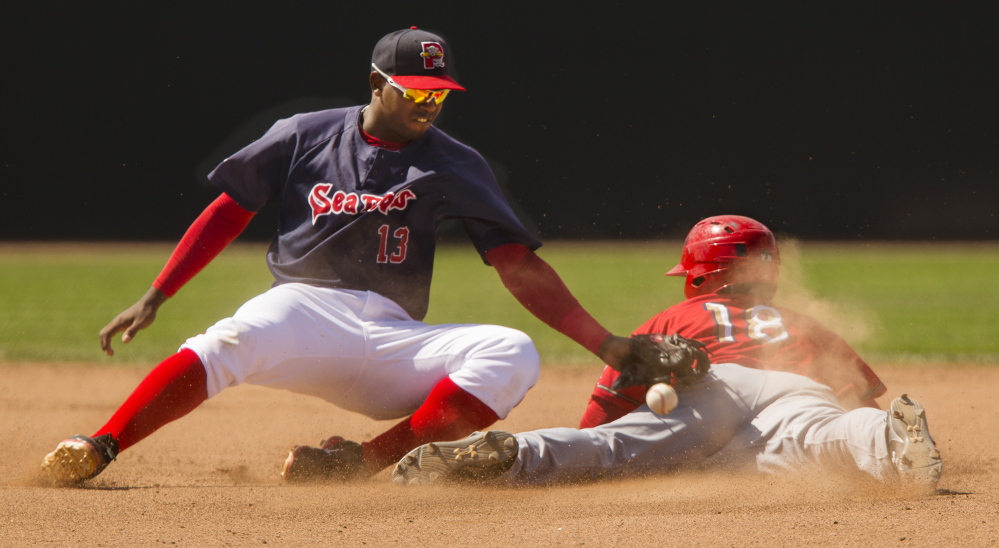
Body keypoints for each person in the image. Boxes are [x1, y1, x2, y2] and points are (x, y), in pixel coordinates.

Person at [41, 27, 633, 485]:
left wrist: (607, 345)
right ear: (377, 83)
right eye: (416, 91)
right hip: (305, 313)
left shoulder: (456, 162)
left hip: (394, 338)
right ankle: (100, 445)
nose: (430, 104)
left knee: (512, 353)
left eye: (440, 93)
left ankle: (361, 463)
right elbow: (231, 207)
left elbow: (517, 264)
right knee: (229, 339)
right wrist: (159, 292)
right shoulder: (305, 133)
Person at [391, 215, 944, 493]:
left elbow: (602, 416)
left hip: (713, 391)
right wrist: (863, 416)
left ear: (699, 273)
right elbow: (852, 395)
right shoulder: (804, 324)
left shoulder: (674, 319)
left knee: (612, 449)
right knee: (825, 438)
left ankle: (513, 457)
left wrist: (600, 429)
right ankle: (890, 442)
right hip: (798, 394)